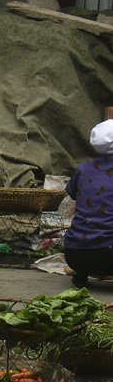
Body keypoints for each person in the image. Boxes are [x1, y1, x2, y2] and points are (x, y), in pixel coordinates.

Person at [64, 119, 113, 288]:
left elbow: (72, 191)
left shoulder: (83, 169)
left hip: (75, 255)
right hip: (109, 256)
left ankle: (81, 274)